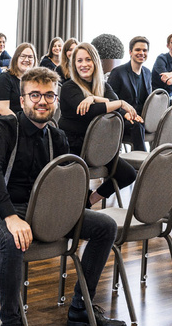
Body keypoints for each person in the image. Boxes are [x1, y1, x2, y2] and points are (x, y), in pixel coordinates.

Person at [0, 66, 127, 326]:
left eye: (48, 96)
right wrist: (10, 216)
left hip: (38, 209)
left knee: (104, 226)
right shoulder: (3, 129)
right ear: (22, 99)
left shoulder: (58, 137)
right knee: (12, 239)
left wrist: (73, 209)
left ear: (55, 99)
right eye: (35, 95)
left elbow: (62, 181)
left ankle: (81, 307)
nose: (42, 101)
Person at [57, 42, 142, 208]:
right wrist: (113, 102)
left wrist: (95, 98)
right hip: (73, 148)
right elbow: (90, 112)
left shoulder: (103, 86)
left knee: (128, 174)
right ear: (74, 64)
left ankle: (89, 201)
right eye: (79, 60)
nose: (84, 64)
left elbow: (116, 108)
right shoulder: (69, 87)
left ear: (95, 62)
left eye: (88, 59)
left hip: (99, 148)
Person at [107, 36, 153, 149]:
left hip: (141, 117)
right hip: (121, 118)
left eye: (145, 50)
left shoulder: (147, 73)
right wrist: (125, 114)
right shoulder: (118, 72)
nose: (141, 53)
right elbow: (109, 100)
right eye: (138, 50)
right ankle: (143, 161)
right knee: (137, 125)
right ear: (130, 52)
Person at [0, 43, 37, 116]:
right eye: (23, 56)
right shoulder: (4, 78)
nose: (26, 60)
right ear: (16, 58)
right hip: (9, 122)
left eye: (30, 57)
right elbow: (3, 109)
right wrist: (21, 123)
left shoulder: (36, 80)